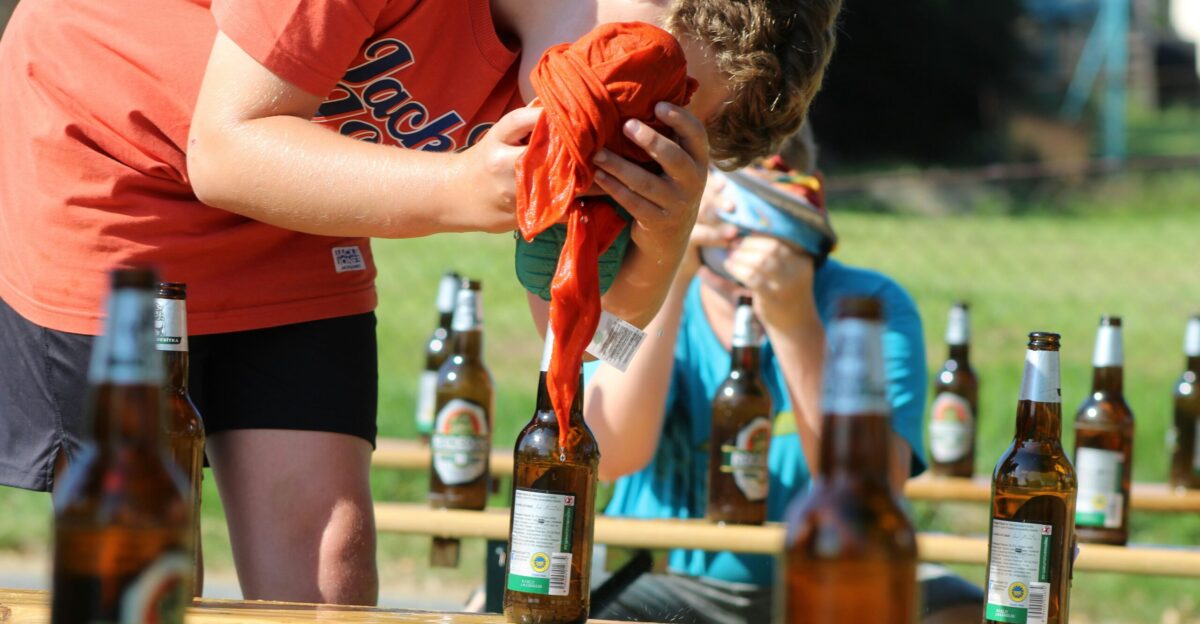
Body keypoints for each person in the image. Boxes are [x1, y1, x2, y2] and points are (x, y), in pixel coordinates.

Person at [0, 0, 843, 606]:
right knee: (143, 567)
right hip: (119, 157)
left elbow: (596, 403)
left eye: (661, 121)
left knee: (331, 571)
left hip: (298, 192)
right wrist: (453, 185)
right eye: (641, 80)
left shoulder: (570, 94)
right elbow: (224, 150)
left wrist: (657, 261)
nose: (622, 121)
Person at [582, 126, 985, 623]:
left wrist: (793, 321)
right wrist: (668, 269)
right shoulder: (634, 285)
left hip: (824, 570)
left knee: (961, 610)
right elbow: (608, 453)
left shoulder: (871, 305)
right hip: (663, 575)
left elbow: (876, 486)